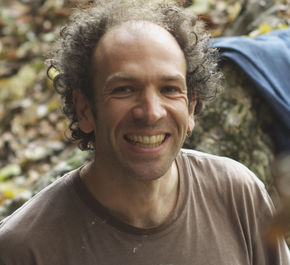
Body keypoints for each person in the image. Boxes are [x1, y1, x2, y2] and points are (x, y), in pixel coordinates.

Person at [0, 0, 289, 264]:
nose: (151, 112)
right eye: (125, 89)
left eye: (169, 89)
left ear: (191, 108)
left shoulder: (238, 195)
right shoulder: (24, 248)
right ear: (85, 109)